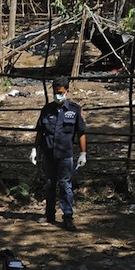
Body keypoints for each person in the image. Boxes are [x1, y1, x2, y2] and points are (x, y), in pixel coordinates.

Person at [31, 76, 87, 232]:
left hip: (65, 155)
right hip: (48, 153)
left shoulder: (75, 110)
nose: (58, 95)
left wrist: (83, 153)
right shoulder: (47, 110)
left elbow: (81, 132)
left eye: (61, 92)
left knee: (65, 186)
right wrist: (34, 149)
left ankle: (67, 217)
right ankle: (49, 215)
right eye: (55, 92)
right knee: (49, 184)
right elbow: (40, 131)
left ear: (67, 92)